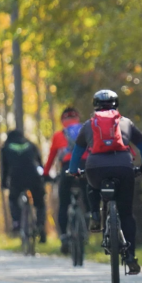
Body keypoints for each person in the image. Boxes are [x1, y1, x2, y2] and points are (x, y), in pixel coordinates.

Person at [67, 89, 142, 275]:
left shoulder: (89, 125)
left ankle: (95, 216)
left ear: (95, 106)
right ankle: (130, 255)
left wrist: (74, 171)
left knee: (92, 186)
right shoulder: (126, 122)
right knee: (127, 214)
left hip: (95, 168)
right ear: (117, 105)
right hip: (123, 167)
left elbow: (76, 153)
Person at [43, 107, 89, 254]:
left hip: (67, 168)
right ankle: (89, 221)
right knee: (89, 197)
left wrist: (45, 174)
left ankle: (63, 236)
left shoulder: (58, 135)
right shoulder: (87, 131)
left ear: (63, 120)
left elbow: (51, 157)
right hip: (86, 166)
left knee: (64, 202)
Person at [1, 130, 47, 242]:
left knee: (13, 199)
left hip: (16, 178)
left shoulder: (6, 147)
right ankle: (40, 225)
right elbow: (39, 163)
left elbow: (4, 168)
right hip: (33, 176)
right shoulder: (31, 144)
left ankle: (17, 222)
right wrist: (44, 177)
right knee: (40, 202)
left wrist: (3, 183)